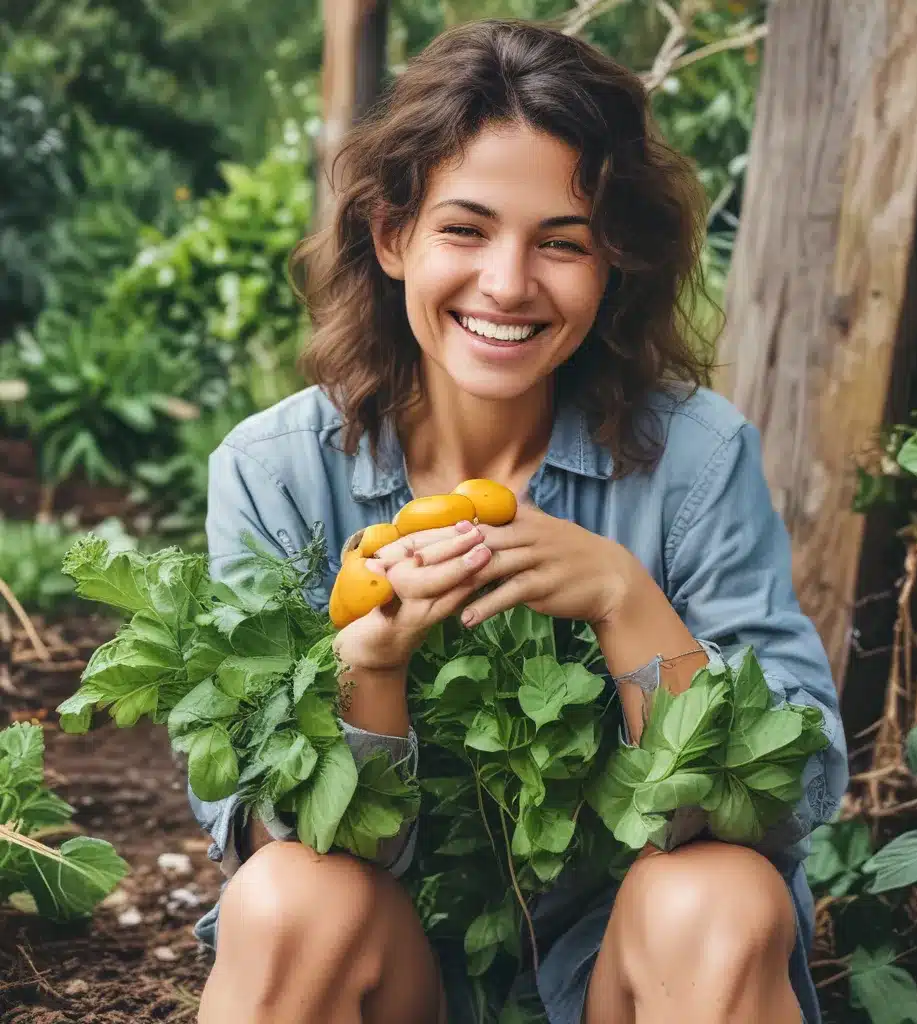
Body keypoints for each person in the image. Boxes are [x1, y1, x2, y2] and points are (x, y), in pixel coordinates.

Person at [189, 18, 847, 1024]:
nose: (506, 283)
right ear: (391, 233)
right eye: (465, 229)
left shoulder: (696, 457)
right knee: (285, 895)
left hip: (628, 985)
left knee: (720, 893)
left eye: (561, 243)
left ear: (613, 262)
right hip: (393, 982)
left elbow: (788, 800)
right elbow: (255, 822)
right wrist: (369, 668)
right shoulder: (277, 472)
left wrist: (624, 601)